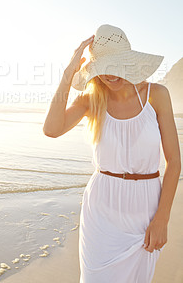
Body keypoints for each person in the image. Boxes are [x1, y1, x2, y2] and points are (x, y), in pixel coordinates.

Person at [43, 24, 181, 283]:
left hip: (146, 209)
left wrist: (163, 218)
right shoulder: (91, 100)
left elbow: (174, 162)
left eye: (115, 65)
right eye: (103, 67)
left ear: (128, 61)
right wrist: (68, 73)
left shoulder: (156, 95)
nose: (109, 75)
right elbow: (51, 129)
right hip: (101, 210)